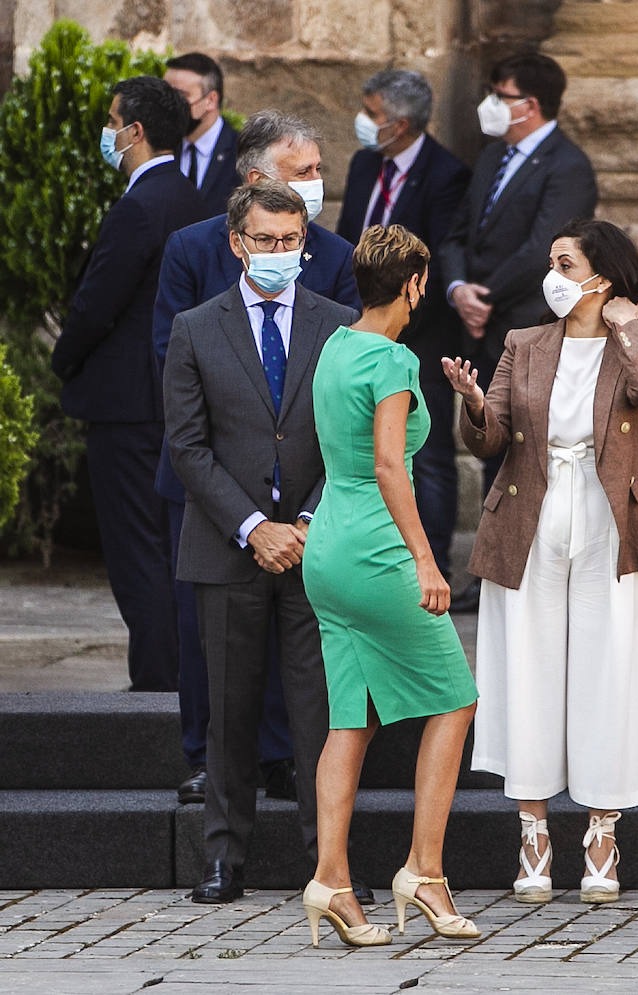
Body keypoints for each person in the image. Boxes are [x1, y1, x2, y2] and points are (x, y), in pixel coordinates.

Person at [444, 218, 638, 905]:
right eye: (551, 259)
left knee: (611, 666)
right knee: (528, 665)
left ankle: (603, 834)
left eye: (564, 261)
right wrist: (471, 405)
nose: (552, 273)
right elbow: (491, 439)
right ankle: (533, 835)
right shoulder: (523, 342)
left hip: (614, 522)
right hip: (529, 515)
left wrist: (624, 324)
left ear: (600, 275)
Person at [153, 110, 362, 811]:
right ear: (253, 181)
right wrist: (244, 506)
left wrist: (301, 511)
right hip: (211, 480)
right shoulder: (189, 248)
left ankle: (282, 759)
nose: (315, 183)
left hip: (305, 493)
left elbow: (347, 375)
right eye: (300, 171)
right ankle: (203, 761)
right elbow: (172, 356)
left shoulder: (333, 255)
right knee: (207, 638)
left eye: (316, 170)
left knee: (296, 647)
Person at [302, 224, 480, 947]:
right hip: (377, 551)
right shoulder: (394, 361)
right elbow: (387, 464)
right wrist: (427, 561)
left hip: (327, 549)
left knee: (353, 718)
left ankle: (332, 881)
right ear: (413, 284)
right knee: (457, 698)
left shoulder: (336, 346)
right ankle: (425, 871)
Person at [50, 75, 206, 693]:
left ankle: (157, 681)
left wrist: (61, 362)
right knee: (166, 546)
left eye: (112, 122)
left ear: (134, 132)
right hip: (173, 400)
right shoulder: (194, 197)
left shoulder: (141, 205)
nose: (107, 133)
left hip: (128, 405)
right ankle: (175, 676)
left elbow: (96, 304)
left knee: (137, 551)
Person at [437, 51, 598, 614]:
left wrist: (487, 296)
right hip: (481, 322)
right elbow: (457, 232)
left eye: (498, 95)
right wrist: (459, 289)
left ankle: (521, 564)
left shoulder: (567, 165)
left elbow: (547, 249)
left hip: (525, 322)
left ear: (528, 105)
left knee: (527, 448)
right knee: (490, 445)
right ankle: (491, 565)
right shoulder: (491, 158)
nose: (490, 105)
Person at [338, 69, 472, 585]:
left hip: (420, 337)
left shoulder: (446, 175)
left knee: (427, 457)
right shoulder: (363, 164)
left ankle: (430, 561)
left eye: (373, 114)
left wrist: (397, 323)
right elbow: (351, 239)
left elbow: (436, 262)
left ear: (402, 122)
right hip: (359, 329)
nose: (365, 123)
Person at [164, 53, 238, 216]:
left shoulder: (241, 153)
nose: (170, 105)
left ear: (210, 100)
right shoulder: (160, 147)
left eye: (180, 96)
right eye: (166, 94)